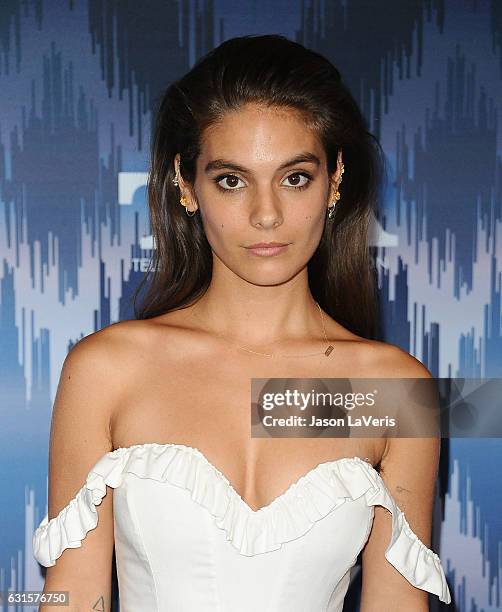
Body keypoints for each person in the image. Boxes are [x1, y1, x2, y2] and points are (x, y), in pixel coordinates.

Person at [33, 34, 451, 611]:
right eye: (232, 179)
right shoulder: (107, 369)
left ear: (334, 181)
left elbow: (398, 605)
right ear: (186, 185)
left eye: (294, 177)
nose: (266, 214)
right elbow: (71, 599)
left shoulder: (393, 390)